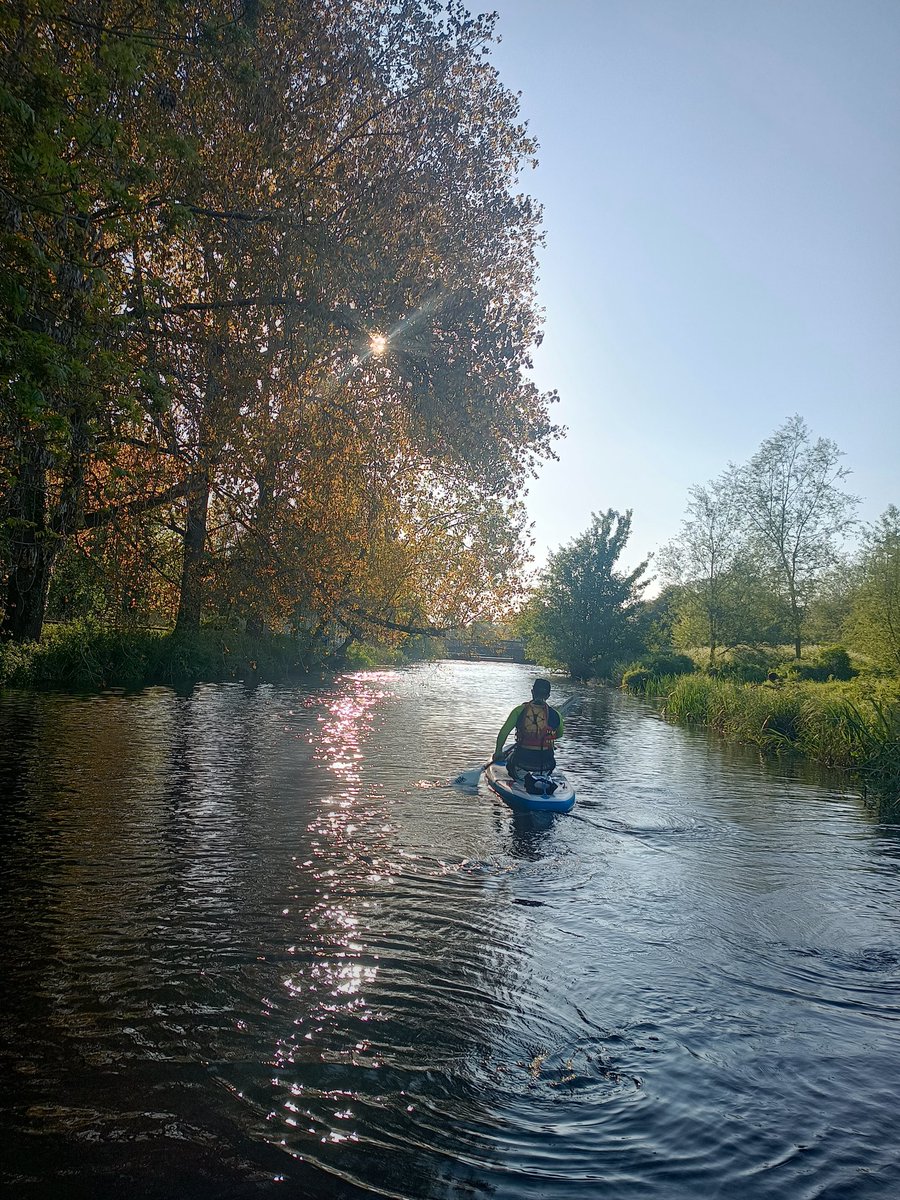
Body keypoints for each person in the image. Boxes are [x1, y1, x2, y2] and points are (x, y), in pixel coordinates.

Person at [494, 678, 564, 780]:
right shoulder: (556, 714)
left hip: (521, 763)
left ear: (532, 692)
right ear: (548, 696)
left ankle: (523, 777)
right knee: (547, 760)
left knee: (509, 759)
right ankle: (541, 778)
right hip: (546, 766)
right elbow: (559, 734)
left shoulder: (519, 710)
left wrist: (498, 752)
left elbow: (503, 733)